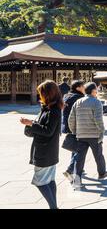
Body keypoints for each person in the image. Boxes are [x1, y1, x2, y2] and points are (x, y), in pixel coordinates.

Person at [21, 80, 63, 209]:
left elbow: (48, 131)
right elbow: (44, 128)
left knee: (40, 182)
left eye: (41, 93)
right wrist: (31, 125)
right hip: (48, 151)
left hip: (45, 153)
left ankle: (53, 207)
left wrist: (31, 124)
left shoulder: (53, 110)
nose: (40, 96)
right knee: (49, 180)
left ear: (48, 94)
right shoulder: (48, 108)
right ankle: (54, 206)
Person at [69, 83, 107, 189]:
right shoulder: (96, 102)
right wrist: (102, 132)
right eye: (96, 90)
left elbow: (71, 119)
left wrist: (75, 131)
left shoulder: (78, 102)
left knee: (79, 158)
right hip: (94, 135)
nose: (97, 92)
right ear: (92, 91)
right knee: (98, 155)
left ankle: (77, 181)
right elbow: (98, 120)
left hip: (81, 134)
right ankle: (102, 173)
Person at [61, 80, 85, 183]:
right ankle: (70, 170)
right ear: (78, 87)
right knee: (80, 149)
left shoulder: (66, 95)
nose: (84, 88)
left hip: (67, 125)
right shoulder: (78, 98)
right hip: (76, 126)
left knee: (75, 147)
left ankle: (76, 167)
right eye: (83, 86)